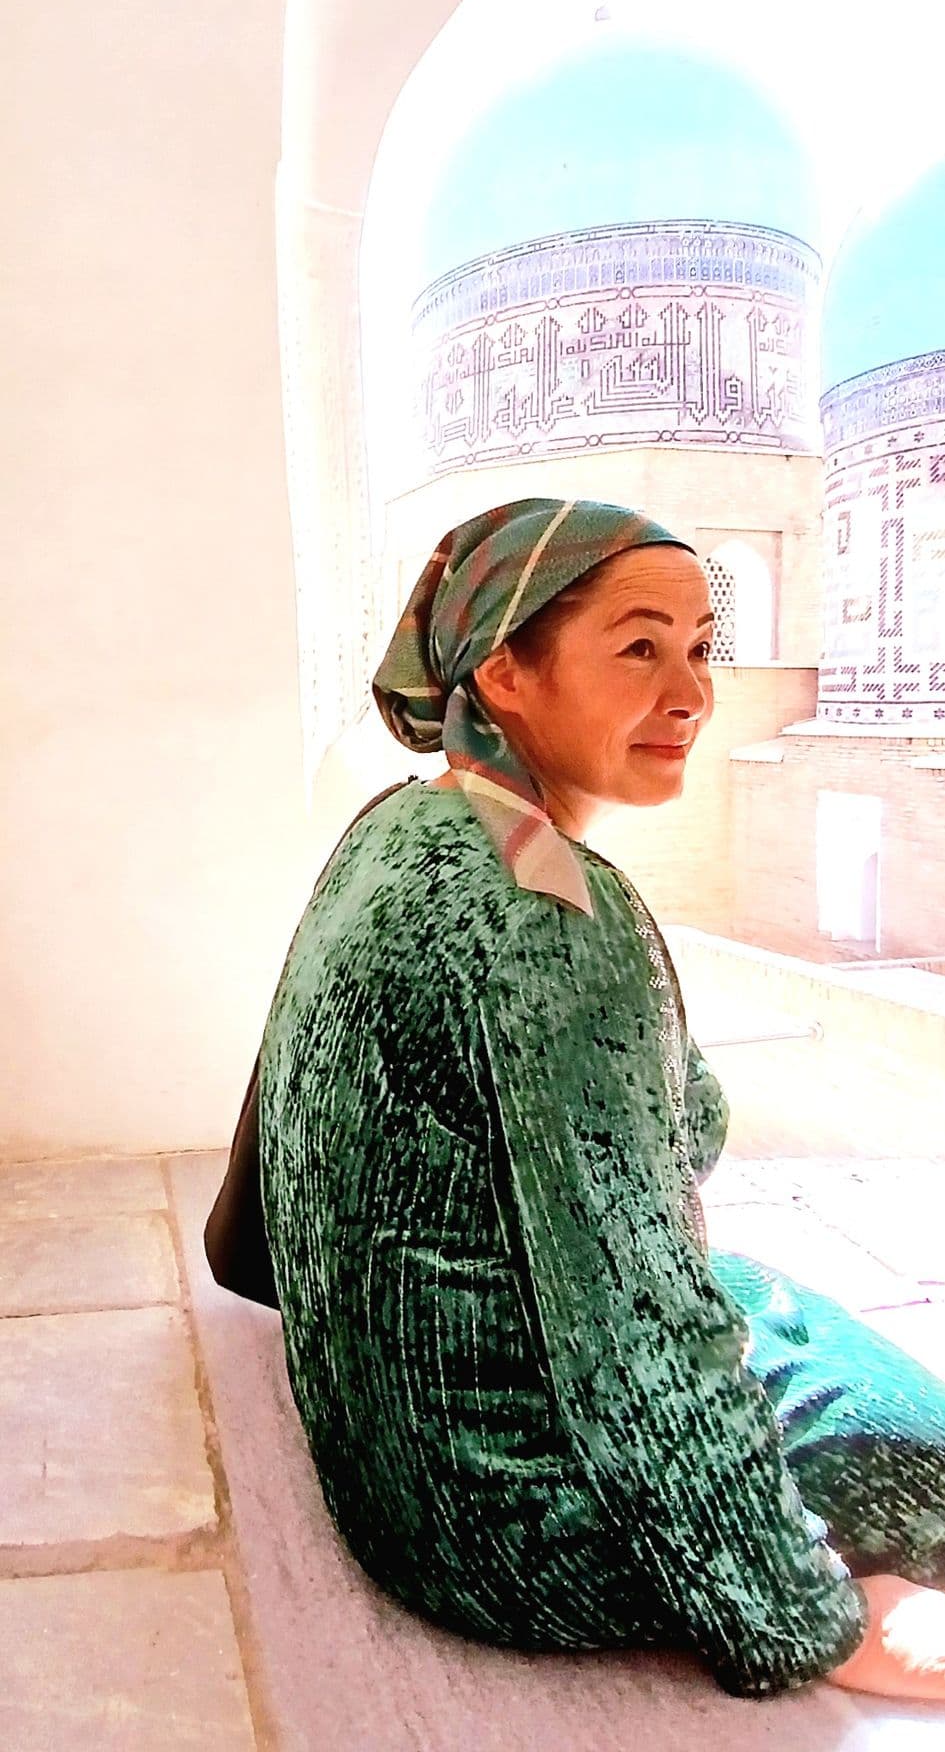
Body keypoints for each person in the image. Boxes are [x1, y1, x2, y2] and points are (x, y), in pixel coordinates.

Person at [258, 496, 945, 1702]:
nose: (691, 692)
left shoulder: (404, 824)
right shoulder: (554, 921)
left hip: (389, 1433)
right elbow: (641, 1329)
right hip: (504, 1521)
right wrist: (817, 1621)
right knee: (923, 1441)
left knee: (778, 1305)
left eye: (699, 646)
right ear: (506, 668)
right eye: (638, 647)